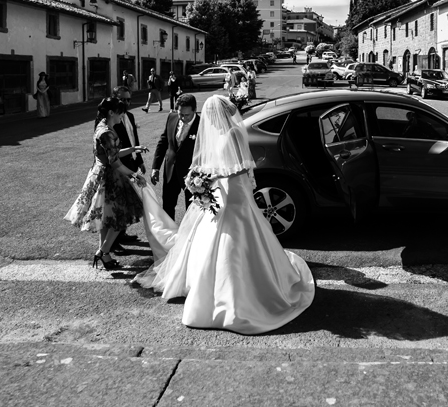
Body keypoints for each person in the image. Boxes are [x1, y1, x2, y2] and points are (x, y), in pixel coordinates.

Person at [133, 95, 315, 334]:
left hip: (234, 193)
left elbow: (241, 166)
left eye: (210, 116)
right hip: (220, 191)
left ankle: (238, 293)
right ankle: (207, 287)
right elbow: (213, 163)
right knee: (209, 236)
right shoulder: (216, 134)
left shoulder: (234, 134)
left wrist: (209, 181)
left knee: (236, 235)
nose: (208, 121)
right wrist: (200, 179)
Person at [64, 97, 146, 270]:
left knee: (106, 219)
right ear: (111, 113)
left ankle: (105, 255)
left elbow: (111, 154)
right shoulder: (107, 132)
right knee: (120, 217)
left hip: (101, 174)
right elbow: (114, 162)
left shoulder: (102, 127)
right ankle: (102, 251)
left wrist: (133, 149)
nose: (122, 116)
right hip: (109, 178)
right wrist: (134, 175)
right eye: (120, 112)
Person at [151, 93, 201, 219]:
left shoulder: (202, 125)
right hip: (170, 171)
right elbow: (163, 142)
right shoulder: (172, 118)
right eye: (180, 114)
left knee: (192, 208)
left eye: (186, 115)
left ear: (194, 110)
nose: (183, 118)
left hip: (191, 175)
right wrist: (155, 167)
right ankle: (169, 235)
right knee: (167, 206)